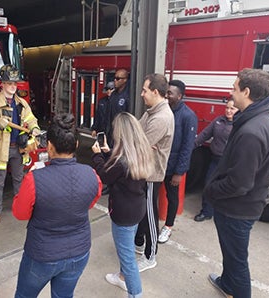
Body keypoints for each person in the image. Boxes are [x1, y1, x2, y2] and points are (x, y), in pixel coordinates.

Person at [204, 68, 269, 298]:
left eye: (234, 88)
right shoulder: (268, 119)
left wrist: (210, 191)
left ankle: (236, 288)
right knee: (231, 254)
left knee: (237, 262)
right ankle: (227, 285)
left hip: (237, 210)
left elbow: (239, 184)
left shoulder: (252, 131)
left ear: (246, 92)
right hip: (245, 205)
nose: (231, 91)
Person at [12, 113, 102, 298]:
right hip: (79, 252)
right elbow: (90, 203)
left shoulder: (34, 178)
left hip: (42, 254)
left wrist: (32, 178)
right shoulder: (92, 174)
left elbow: (20, 213)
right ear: (76, 145)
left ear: (49, 147)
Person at [92, 112, 155, 298]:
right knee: (126, 249)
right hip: (137, 208)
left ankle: (135, 294)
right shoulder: (141, 152)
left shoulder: (121, 162)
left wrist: (97, 156)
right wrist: (107, 152)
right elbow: (122, 168)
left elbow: (104, 175)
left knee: (127, 257)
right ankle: (121, 277)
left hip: (123, 213)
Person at [0, 64, 40, 227]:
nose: (13, 86)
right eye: (10, 83)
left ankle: (21, 208)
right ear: (2, 84)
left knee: (19, 179)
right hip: (0, 149)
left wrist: (35, 128)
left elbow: (31, 119)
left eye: (15, 84)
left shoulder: (21, 104)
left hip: (18, 149)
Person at [134, 74, 174, 272]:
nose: (142, 94)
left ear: (155, 92)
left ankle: (150, 255)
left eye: (144, 90)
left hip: (152, 174)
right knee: (142, 211)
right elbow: (137, 134)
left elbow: (139, 144)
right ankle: (140, 244)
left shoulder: (161, 118)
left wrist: (141, 143)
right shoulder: (151, 112)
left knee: (150, 213)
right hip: (144, 169)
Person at [159, 79, 197, 243]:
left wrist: (179, 172)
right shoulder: (165, 111)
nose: (166, 96)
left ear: (180, 96)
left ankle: (168, 227)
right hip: (159, 163)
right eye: (166, 92)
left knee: (172, 197)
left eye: (170, 93)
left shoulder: (188, 116)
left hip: (173, 167)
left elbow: (187, 147)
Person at [193, 98, 238, 222]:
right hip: (215, 161)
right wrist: (190, 146)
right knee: (209, 186)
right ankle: (206, 212)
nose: (228, 111)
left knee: (227, 190)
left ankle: (225, 215)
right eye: (227, 108)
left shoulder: (239, 125)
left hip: (229, 164)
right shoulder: (218, 120)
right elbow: (204, 135)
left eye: (232, 109)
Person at [106, 69, 130, 144]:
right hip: (111, 132)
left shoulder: (128, 96)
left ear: (125, 80)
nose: (115, 80)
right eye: (114, 78)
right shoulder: (113, 95)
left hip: (121, 134)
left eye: (118, 78)